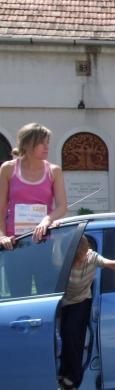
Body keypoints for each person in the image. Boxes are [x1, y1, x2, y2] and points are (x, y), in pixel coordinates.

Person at [57, 235, 115, 390]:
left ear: (86, 251)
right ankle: (62, 372)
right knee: (61, 338)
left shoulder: (92, 257)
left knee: (71, 334)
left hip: (81, 301)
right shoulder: (63, 260)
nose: (77, 263)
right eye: (74, 261)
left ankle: (73, 376)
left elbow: (111, 263)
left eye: (79, 260)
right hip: (63, 303)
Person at [0, 124, 67, 296]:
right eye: (41, 143)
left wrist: (47, 220)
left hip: (44, 242)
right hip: (16, 243)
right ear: (26, 144)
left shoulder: (54, 171)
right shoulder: (8, 168)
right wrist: (2, 236)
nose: (46, 147)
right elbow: (1, 209)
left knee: (46, 293)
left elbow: (62, 206)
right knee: (19, 295)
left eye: (48, 142)